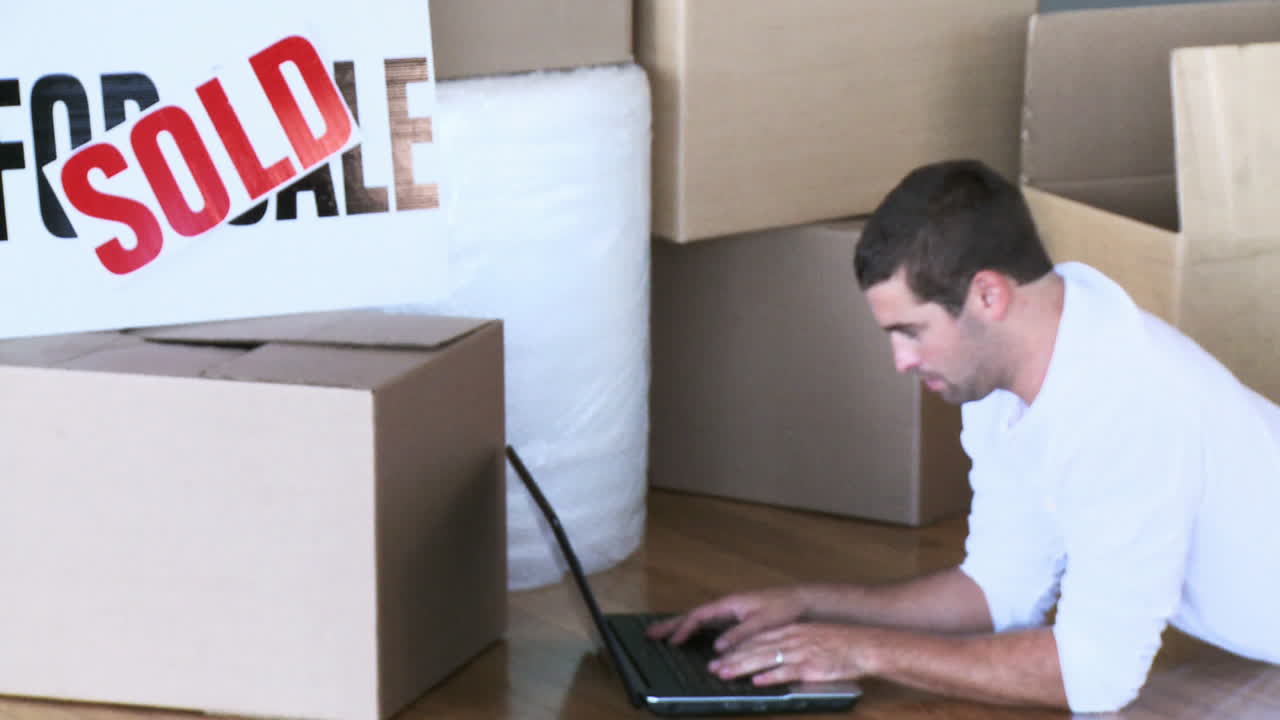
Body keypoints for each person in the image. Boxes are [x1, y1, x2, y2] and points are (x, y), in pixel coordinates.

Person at [647, 159, 1280, 713]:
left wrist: (860, 650)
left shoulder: (1124, 404)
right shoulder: (1003, 380)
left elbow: (1095, 674)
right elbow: (999, 589)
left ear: (987, 295)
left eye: (911, 331)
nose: (900, 361)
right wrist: (809, 607)